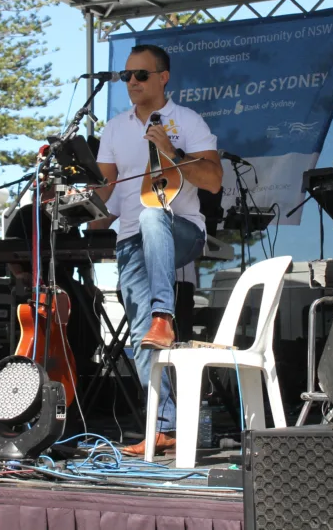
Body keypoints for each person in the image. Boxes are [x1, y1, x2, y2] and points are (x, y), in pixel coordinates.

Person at [94, 44, 223, 456]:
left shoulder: (187, 121)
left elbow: (214, 181)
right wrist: (69, 200)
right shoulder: (114, 128)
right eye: (126, 76)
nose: (132, 81)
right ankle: (163, 427)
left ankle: (163, 314)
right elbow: (106, 198)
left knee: (153, 215)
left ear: (163, 77)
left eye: (141, 75)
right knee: (141, 337)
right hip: (130, 240)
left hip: (181, 229)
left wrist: (172, 153)